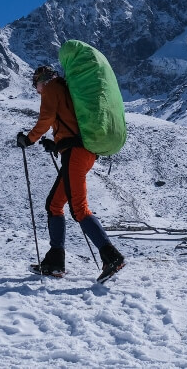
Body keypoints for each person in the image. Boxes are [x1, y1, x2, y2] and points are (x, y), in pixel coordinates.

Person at [16, 65, 125, 279]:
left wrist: (29, 139)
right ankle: (55, 262)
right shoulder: (65, 89)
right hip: (79, 152)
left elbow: (46, 118)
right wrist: (56, 145)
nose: (37, 90)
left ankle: (111, 256)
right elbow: (70, 123)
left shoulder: (52, 88)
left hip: (76, 153)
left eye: (35, 85)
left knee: (78, 209)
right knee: (54, 204)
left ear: (41, 80)